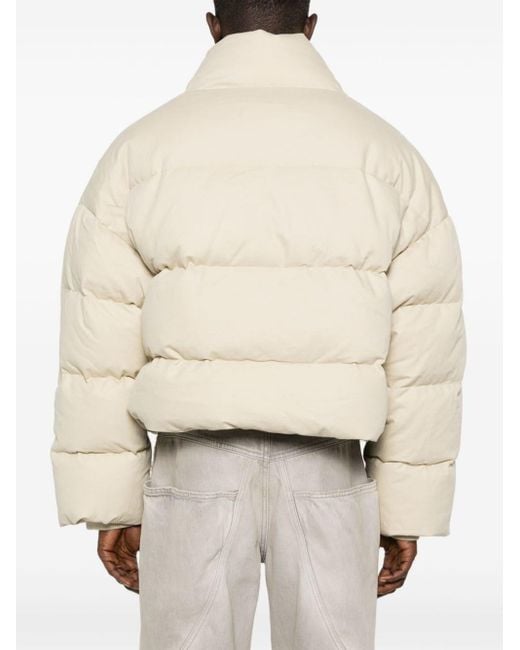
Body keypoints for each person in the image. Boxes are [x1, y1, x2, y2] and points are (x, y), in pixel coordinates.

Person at [50, 1, 466, 649]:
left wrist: (112, 501)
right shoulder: (387, 156)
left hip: (194, 468)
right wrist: (404, 504)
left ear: (212, 26)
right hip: (330, 469)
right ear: (311, 26)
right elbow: (424, 347)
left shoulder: (142, 152)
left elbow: (99, 339)